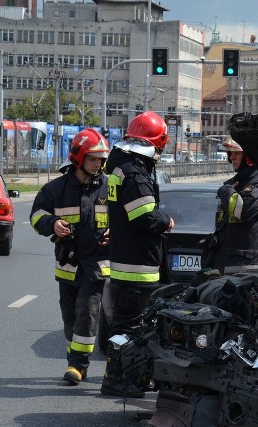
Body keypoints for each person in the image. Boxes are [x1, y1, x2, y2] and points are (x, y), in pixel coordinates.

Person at [100, 111, 174, 398]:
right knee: (129, 326)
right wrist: (165, 221)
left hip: (125, 260)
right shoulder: (135, 173)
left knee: (124, 324)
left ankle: (117, 376)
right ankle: (119, 379)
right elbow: (143, 216)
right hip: (137, 264)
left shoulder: (121, 168)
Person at [30, 129, 111, 386]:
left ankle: (77, 365)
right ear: (78, 158)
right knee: (70, 317)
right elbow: (35, 216)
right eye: (92, 158)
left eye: (101, 159)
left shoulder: (109, 187)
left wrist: (115, 232)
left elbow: (123, 218)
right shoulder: (56, 188)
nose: (97, 164)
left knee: (87, 311)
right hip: (69, 265)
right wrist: (52, 224)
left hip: (97, 264)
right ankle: (75, 360)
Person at [203, 136, 258, 274]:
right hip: (228, 264)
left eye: (237, 153)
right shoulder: (238, 182)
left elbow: (243, 210)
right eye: (230, 153)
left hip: (245, 269)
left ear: (249, 156)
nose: (232, 157)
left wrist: (226, 191)